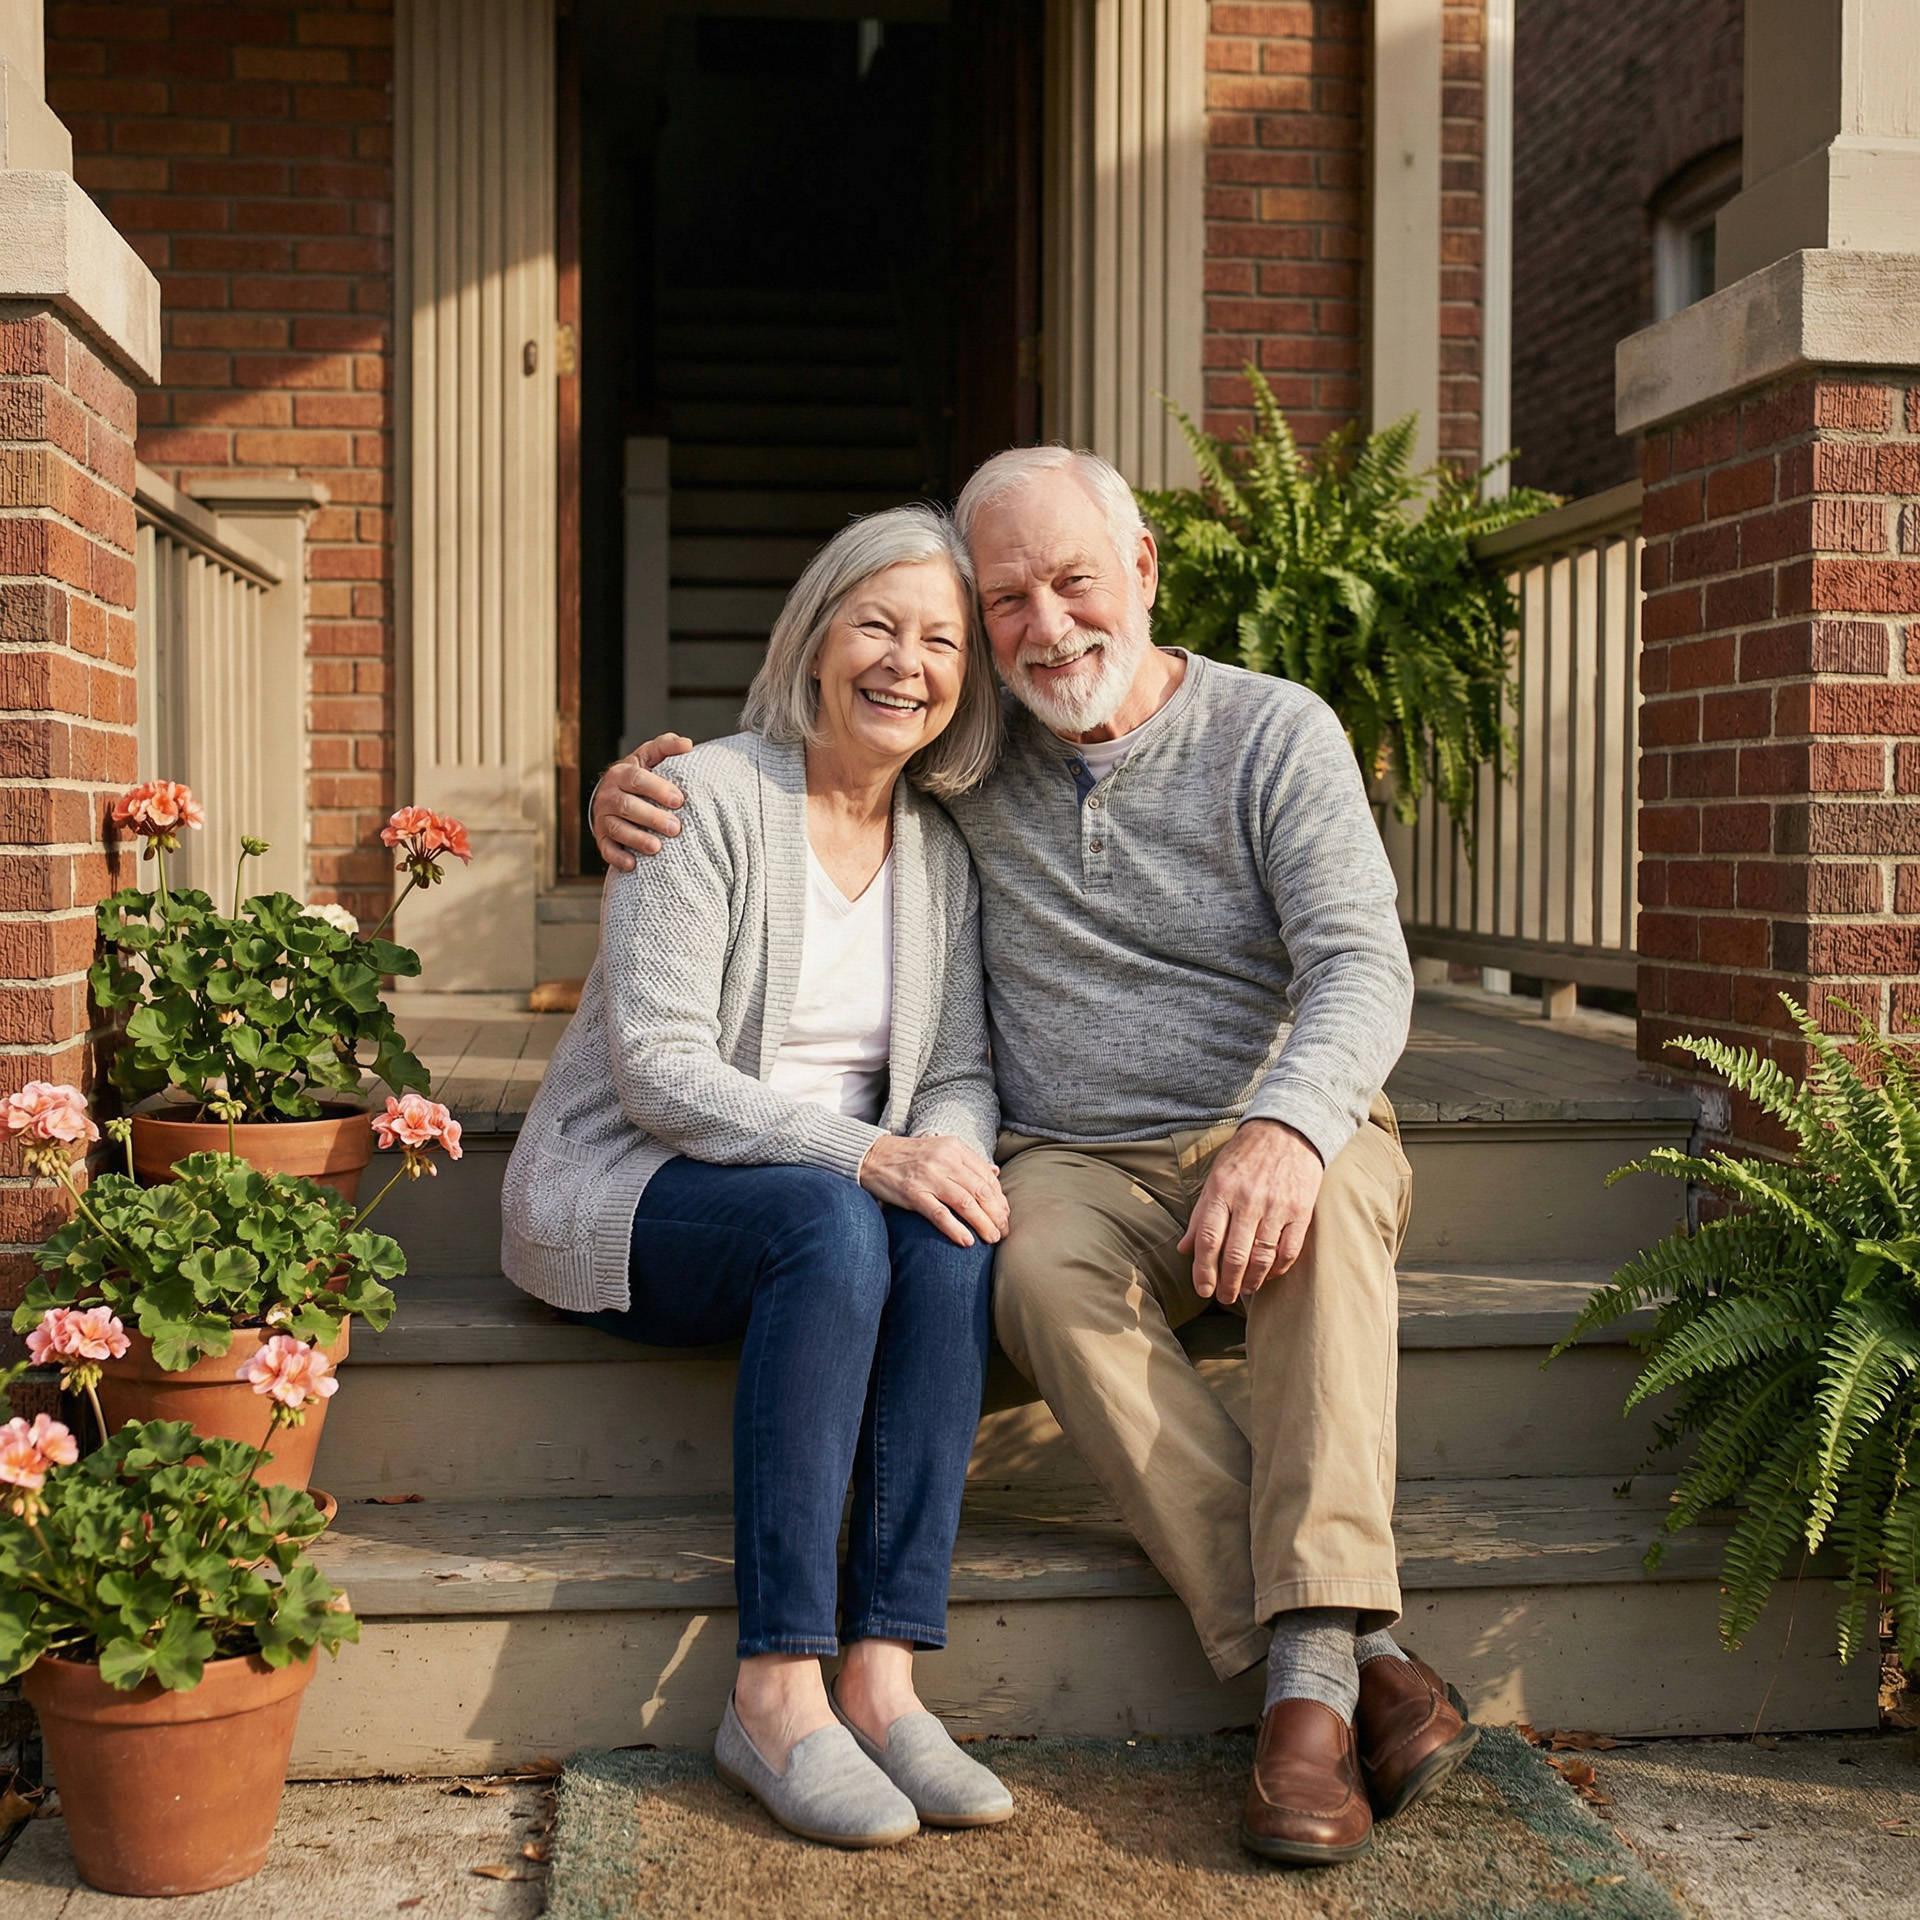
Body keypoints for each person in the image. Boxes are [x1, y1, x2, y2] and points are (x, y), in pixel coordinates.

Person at [594, 446, 1480, 1868]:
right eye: (1004, 600)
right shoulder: (971, 751)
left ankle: (1306, 1695)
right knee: (1033, 1272)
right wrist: (632, 795)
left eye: (1074, 582)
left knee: (1323, 1222)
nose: (1045, 626)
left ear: (1143, 569)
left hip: (1275, 1114)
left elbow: (1363, 969)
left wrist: (1289, 1127)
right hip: (1076, 1156)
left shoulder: (1274, 733)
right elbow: (818, 749)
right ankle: (1365, 1658)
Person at [505, 505, 1016, 1849]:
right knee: (833, 1221)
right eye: (879, 625)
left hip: (828, 1203)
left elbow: (959, 1061)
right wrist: (870, 1154)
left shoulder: (943, 855)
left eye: (942, 640)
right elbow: (660, 1071)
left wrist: (942, 1153)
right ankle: (775, 1689)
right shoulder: (707, 797)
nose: (907, 663)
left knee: (948, 1232)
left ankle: (885, 1678)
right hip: (645, 1185)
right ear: (817, 633)